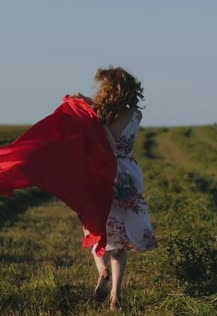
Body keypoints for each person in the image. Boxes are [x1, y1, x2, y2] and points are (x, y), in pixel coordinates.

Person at [71, 66, 158, 311]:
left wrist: (84, 102)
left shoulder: (100, 116)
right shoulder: (136, 115)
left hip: (103, 173)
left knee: (94, 226)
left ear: (108, 90)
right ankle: (115, 297)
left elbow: (100, 123)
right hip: (128, 174)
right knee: (119, 240)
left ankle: (101, 268)